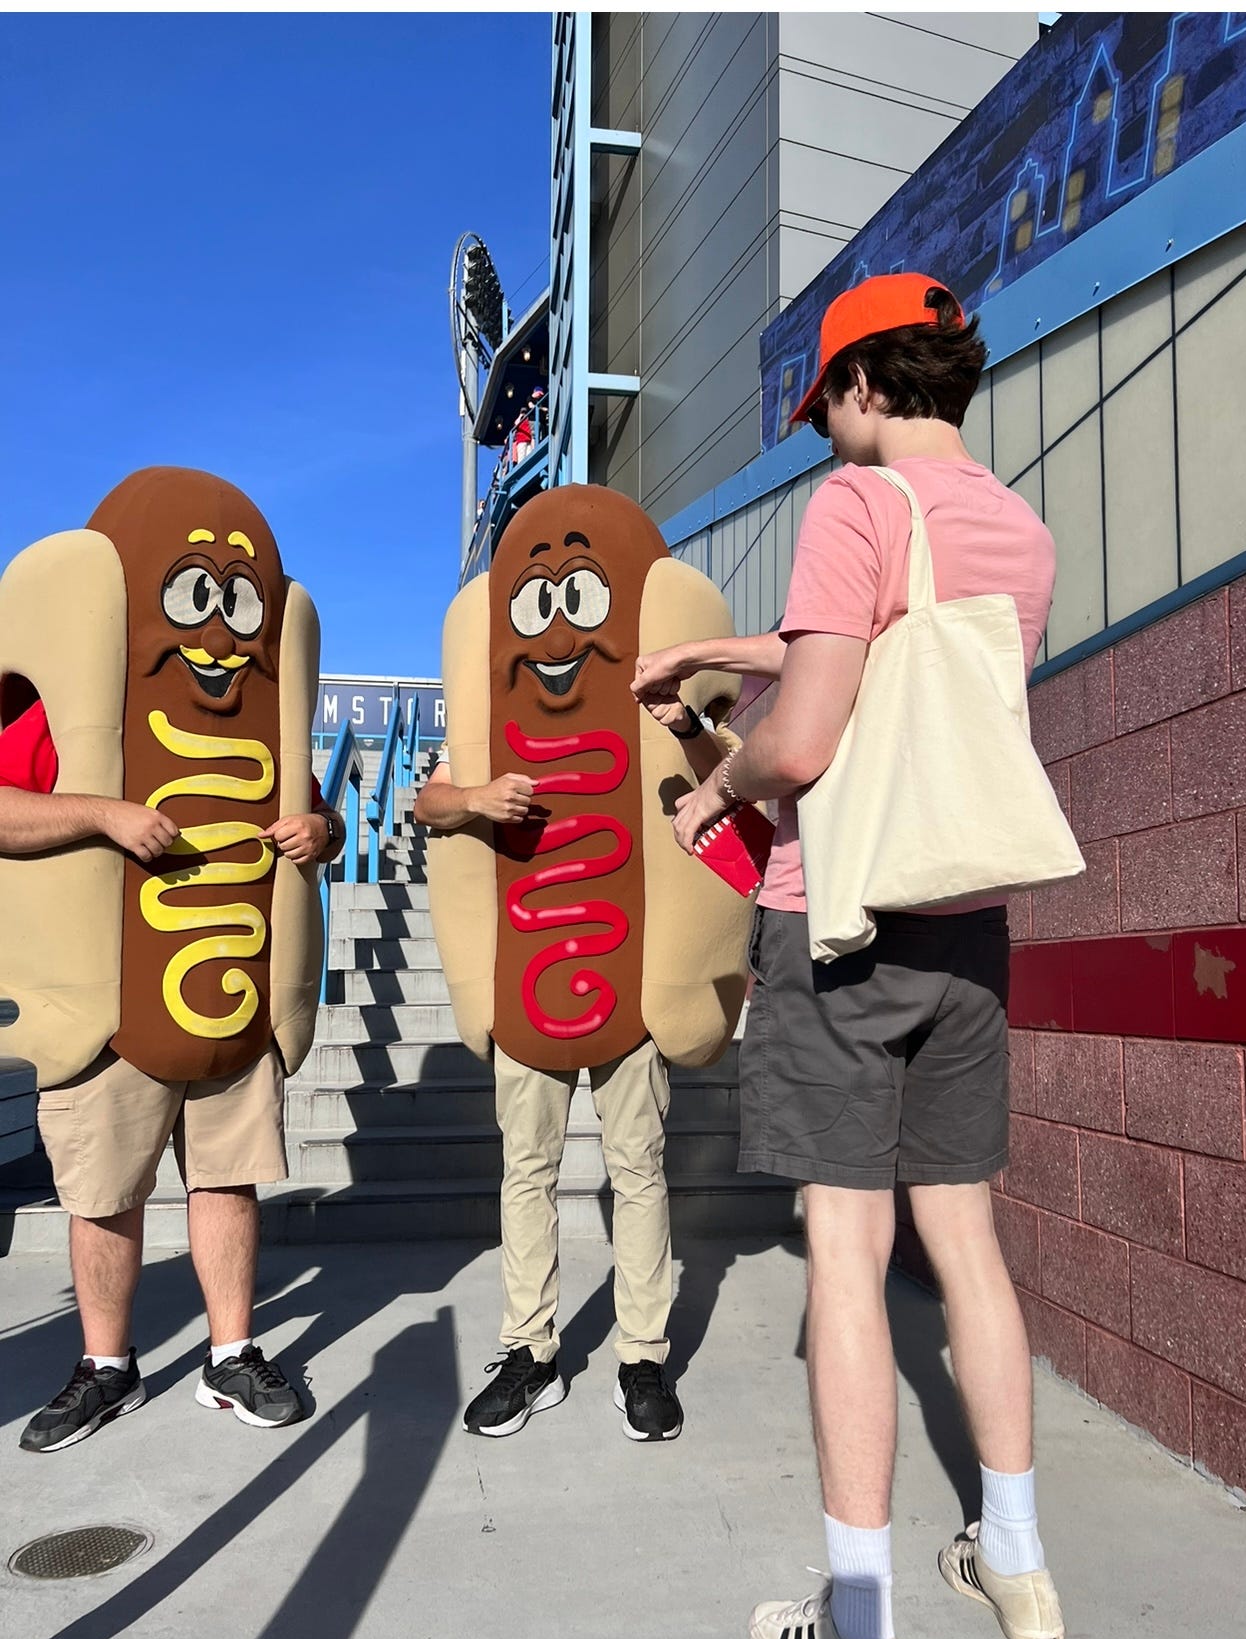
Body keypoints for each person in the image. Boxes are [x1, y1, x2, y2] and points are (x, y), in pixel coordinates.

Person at [633, 274, 1063, 1639]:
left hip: (841, 928)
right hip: (967, 928)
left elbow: (809, 737)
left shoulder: (858, 506)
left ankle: (860, 1627)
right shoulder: (1015, 524)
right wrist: (723, 653)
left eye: (827, 409)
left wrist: (719, 782)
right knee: (969, 1243)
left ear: (867, 385)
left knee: (846, 1257)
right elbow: (900, 652)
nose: (826, 436)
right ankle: (1016, 1559)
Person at [1, 467, 344, 1453]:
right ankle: (106, 1365)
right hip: (110, 993)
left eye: (238, 605)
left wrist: (318, 829)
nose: (218, 631)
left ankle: (232, 1354)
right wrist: (101, 812)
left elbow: (310, 808)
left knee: (227, 1177)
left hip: (229, 989)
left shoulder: (260, 715)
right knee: (105, 1189)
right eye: (196, 595)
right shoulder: (69, 703)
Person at [418, 484, 752, 1444]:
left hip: (633, 975)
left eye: (583, 599)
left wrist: (683, 716)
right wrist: (477, 798)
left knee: (636, 1169)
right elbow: (425, 808)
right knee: (524, 1172)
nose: (560, 629)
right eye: (539, 602)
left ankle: (641, 1358)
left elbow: (725, 775)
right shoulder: (481, 720)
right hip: (527, 973)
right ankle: (531, 1352)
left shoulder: (661, 709)